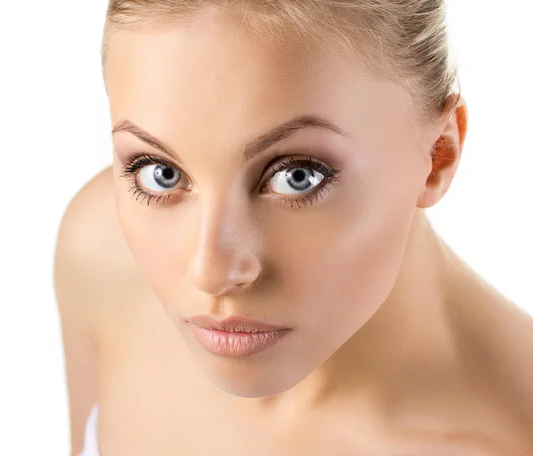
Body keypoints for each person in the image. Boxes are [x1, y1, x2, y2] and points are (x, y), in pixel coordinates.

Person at [53, 1, 533, 454]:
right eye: (161, 173)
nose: (210, 272)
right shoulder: (102, 252)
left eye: (296, 176)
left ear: (438, 157)